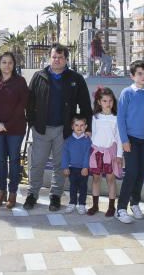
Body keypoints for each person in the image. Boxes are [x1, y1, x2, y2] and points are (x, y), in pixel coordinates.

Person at [25, 44, 93, 212]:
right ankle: (32, 194)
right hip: (41, 129)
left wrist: (88, 127)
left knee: (60, 165)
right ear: (50, 58)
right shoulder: (38, 77)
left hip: (63, 131)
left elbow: (85, 105)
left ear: (66, 59)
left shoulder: (75, 79)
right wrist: (32, 122)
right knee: (37, 163)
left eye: (61, 57)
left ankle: (55, 196)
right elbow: (29, 102)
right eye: (54, 57)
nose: (57, 60)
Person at [0, 51, 29, 209]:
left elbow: (22, 105)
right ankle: (1, 191)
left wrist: (7, 124)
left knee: (14, 160)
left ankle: (13, 193)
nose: (7, 65)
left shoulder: (20, 82)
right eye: (4, 62)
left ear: (14, 65)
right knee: (0, 161)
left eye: (10, 62)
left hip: (15, 128)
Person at [116, 60, 144, 224]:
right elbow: (121, 119)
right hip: (130, 140)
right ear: (132, 76)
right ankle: (121, 208)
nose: (143, 76)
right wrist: (124, 140)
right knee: (131, 173)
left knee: (140, 173)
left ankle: (135, 203)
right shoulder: (127, 93)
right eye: (139, 73)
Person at [88, 86, 122, 216]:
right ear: (99, 102)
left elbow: (119, 138)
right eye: (105, 101)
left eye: (110, 101)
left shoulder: (117, 118)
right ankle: (95, 205)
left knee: (110, 180)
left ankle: (111, 206)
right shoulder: (95, 117)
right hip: (96, 152)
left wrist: (119, 155)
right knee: (96, 179)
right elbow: (93, 135)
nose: (108, 104)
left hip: (110, 153)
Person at [61, 116, 92, 213]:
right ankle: (72, 203)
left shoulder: (88, 141)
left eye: (82, 125)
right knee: (73, 186)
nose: (79, 127)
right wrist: (65, 167)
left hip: (83, 169)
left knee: (83, 187)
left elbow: (87, 155)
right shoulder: (68, 141)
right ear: (72, 127)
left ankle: (82, 204)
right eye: (76, 125)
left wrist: (85, 167)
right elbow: (65, 155)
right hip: (72, 168)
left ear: (86, 126)